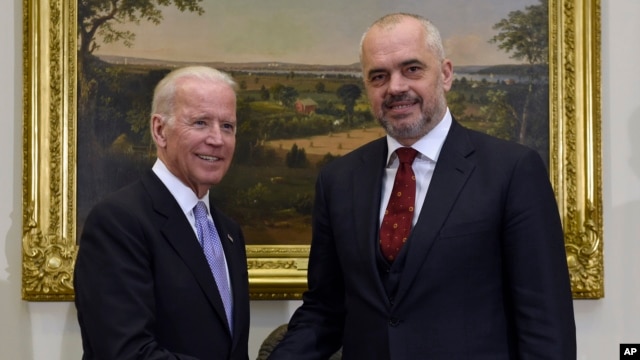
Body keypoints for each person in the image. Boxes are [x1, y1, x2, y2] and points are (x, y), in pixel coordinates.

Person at [268, 13, 576, 359]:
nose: (395, 87)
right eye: (379, 76)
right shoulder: (338, 180)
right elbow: (325, 310)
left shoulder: (512, 171)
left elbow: (545, 325)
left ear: (445, 74)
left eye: (412, 69)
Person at [74, 66, 250, 359]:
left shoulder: (229, 232)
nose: (217, 139)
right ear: (159, 130)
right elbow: (126, 352)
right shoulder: (117, 223)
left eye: (227, 126)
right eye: (201, 123)